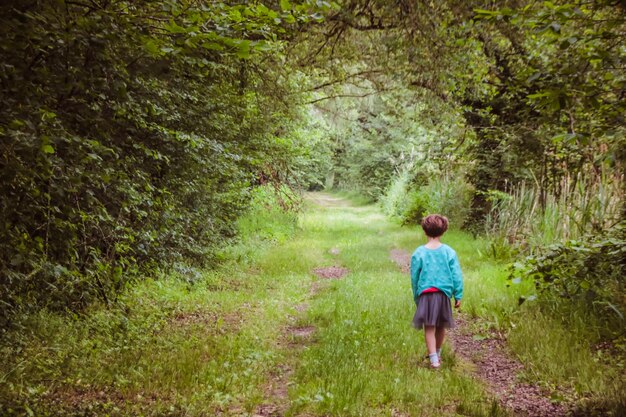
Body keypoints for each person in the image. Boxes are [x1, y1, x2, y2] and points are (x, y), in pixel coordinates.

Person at [410, 214, 463, 369]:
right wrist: (458, 294)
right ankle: (437, 354)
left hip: (426, 294)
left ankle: (433, 360)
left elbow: (414, 277)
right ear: (443, 231)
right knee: (441, 326)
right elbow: (456, 275)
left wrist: (416, 296)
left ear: (425, 231)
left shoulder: (419, 253)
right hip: (444, 294)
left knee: (429, 327)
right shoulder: (449, 252)